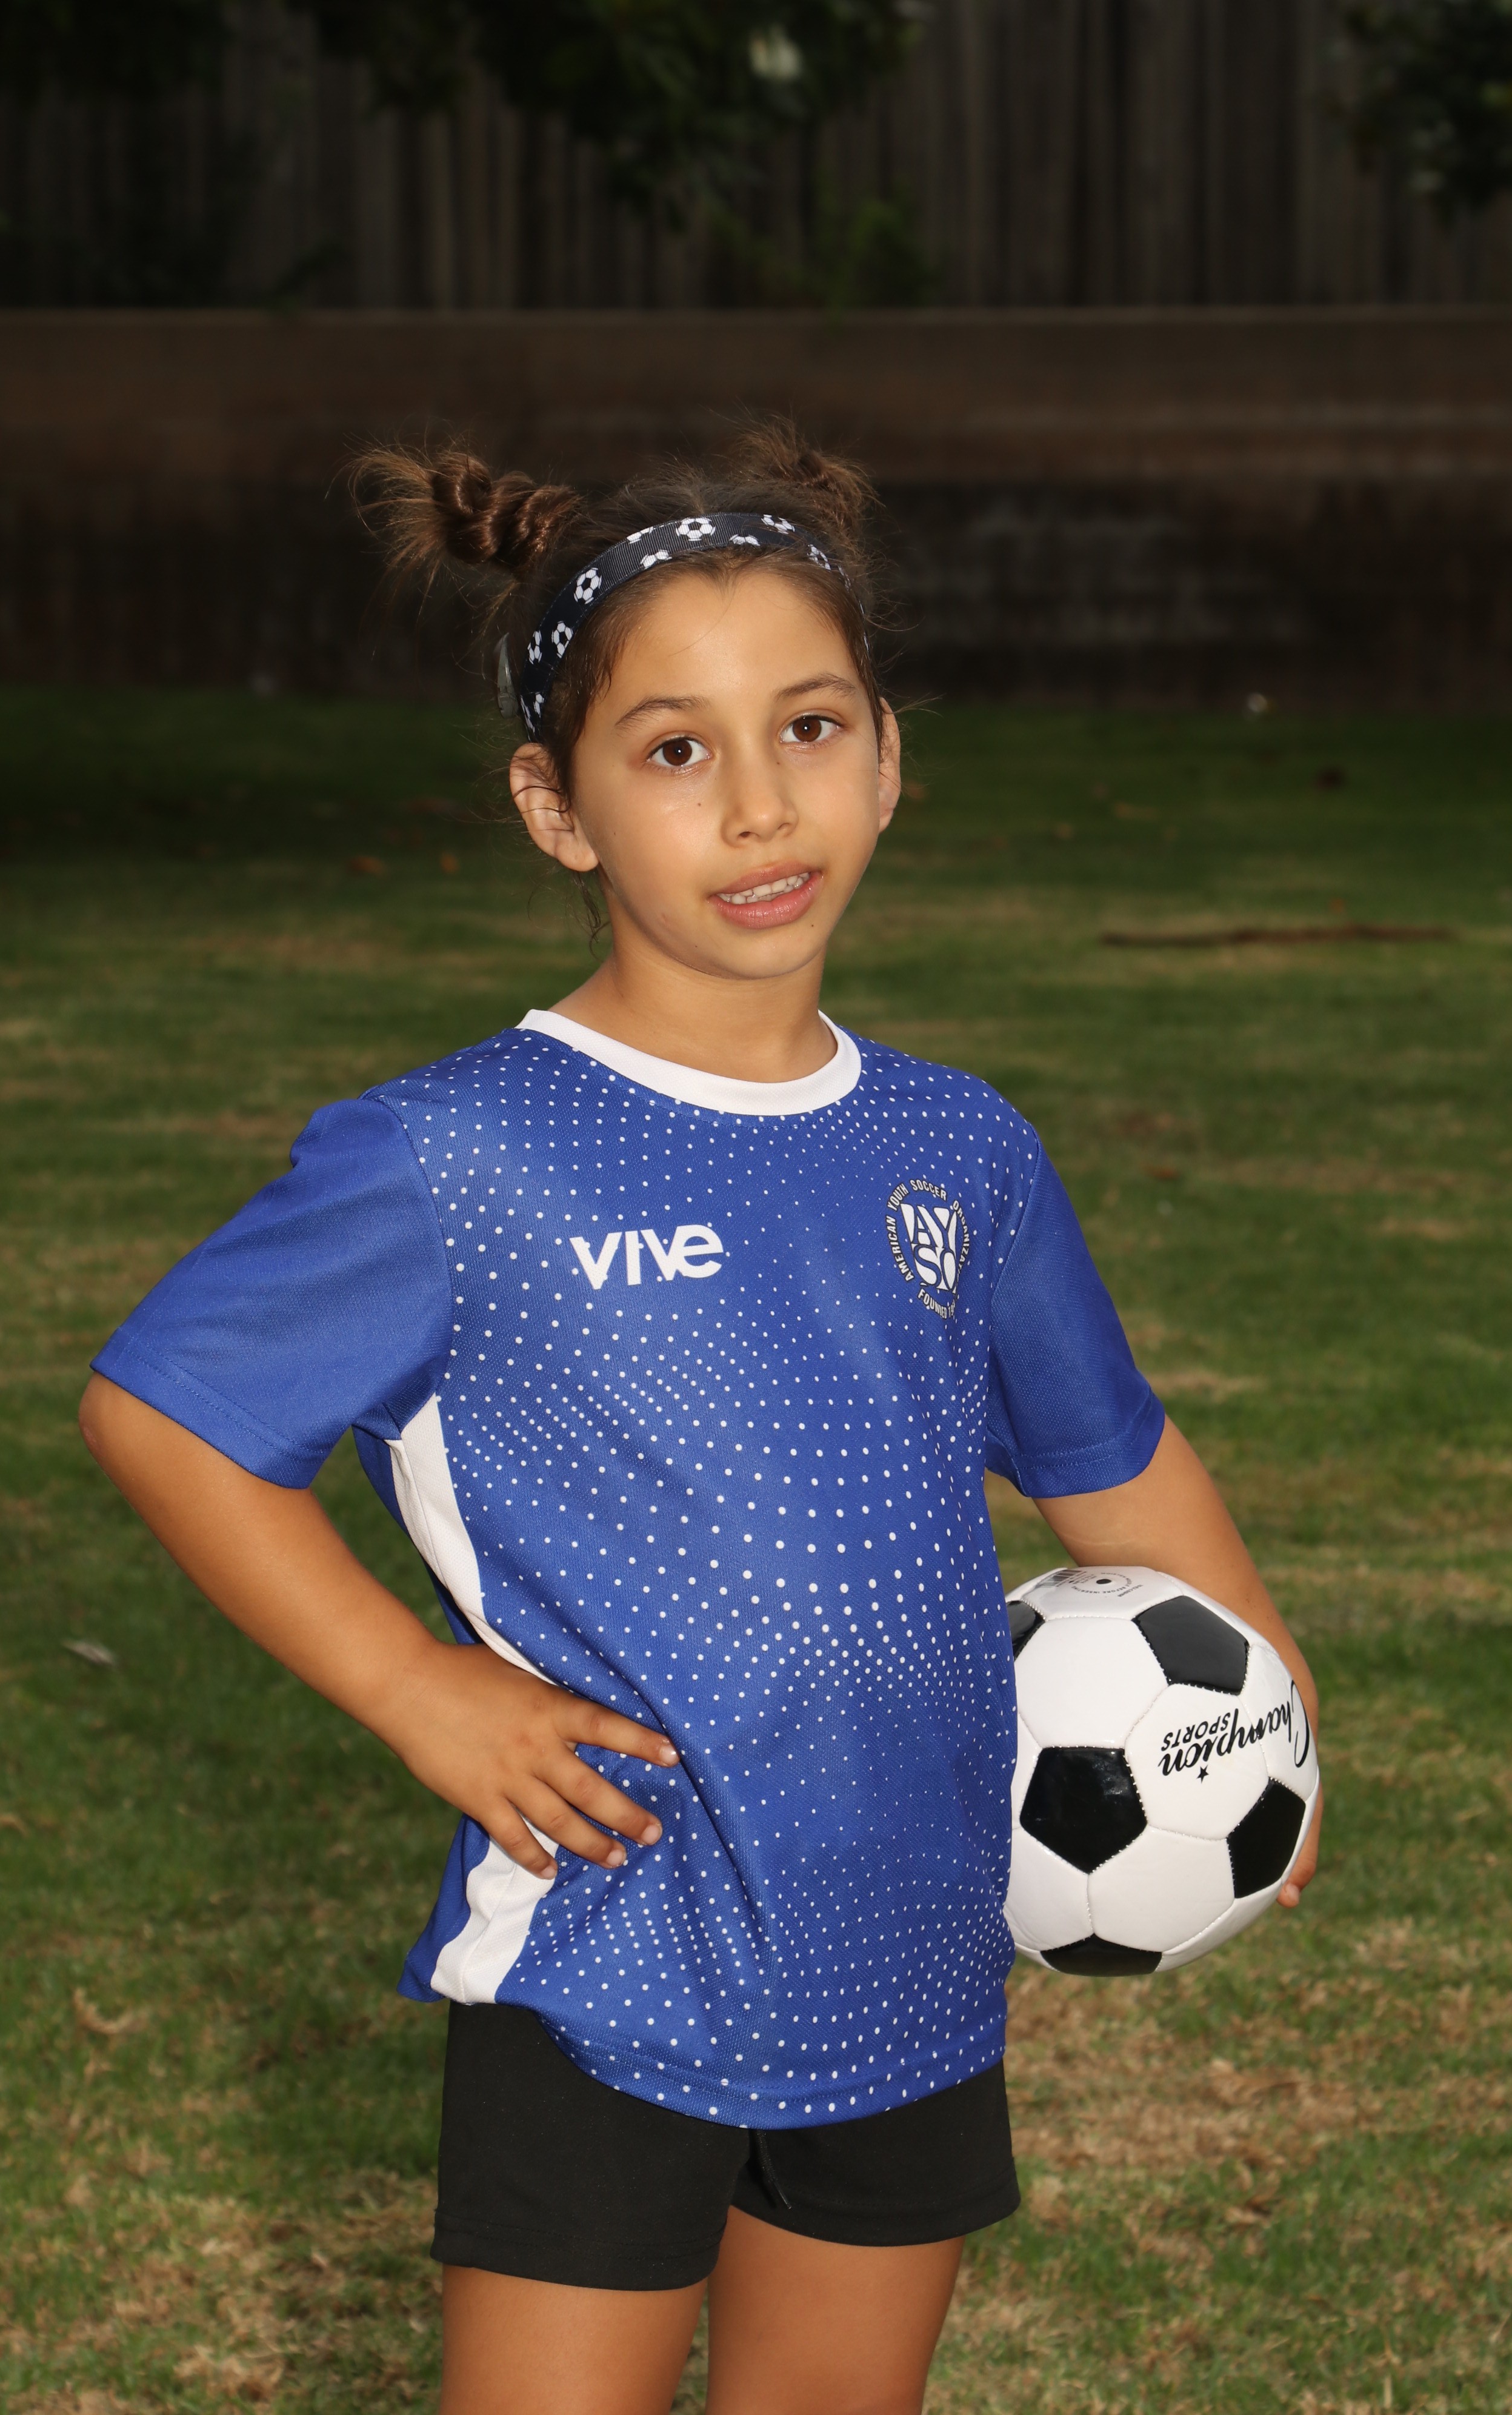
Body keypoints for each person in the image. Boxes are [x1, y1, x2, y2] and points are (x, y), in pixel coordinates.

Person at [79, 423, 1321, 2415]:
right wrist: (416, 1692)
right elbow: (169, 1415)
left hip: (910, 1960)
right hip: (611, 1956)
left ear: (890, 756)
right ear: (554, 808)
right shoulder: (460, 1157)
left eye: (810, 728)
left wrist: (1260, 1692)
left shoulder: (959, 1150)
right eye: (674, 751)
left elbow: (1112, 1458)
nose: (759, 805)